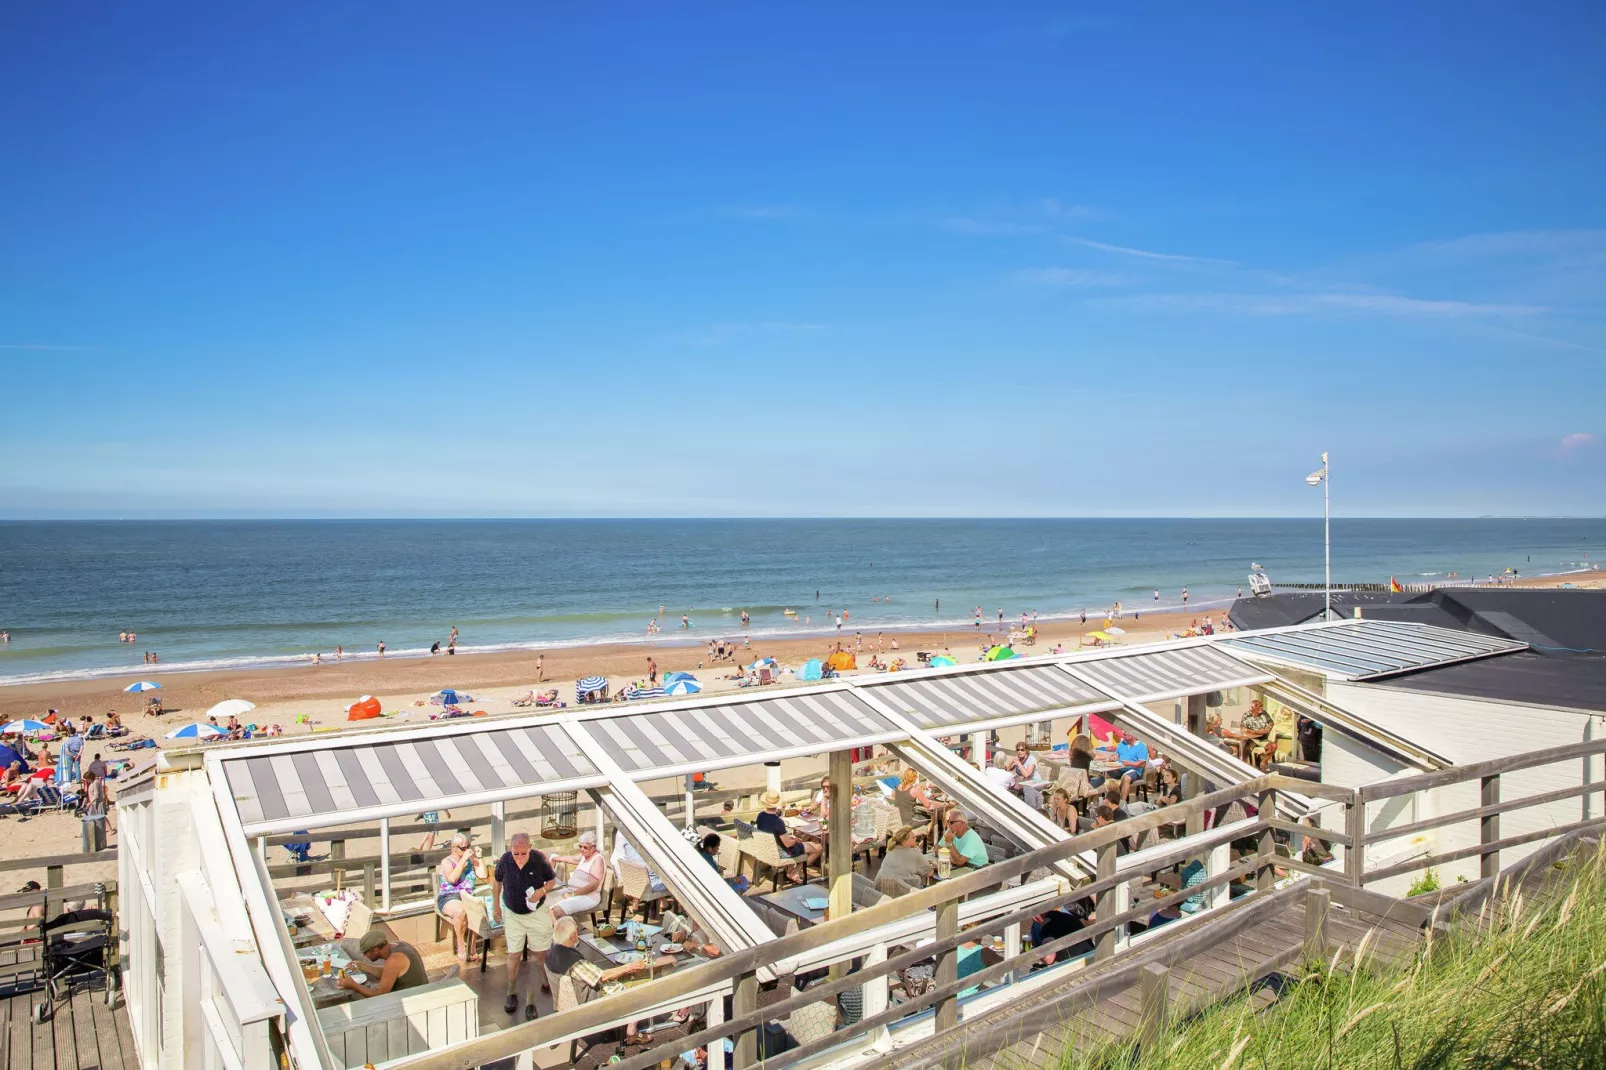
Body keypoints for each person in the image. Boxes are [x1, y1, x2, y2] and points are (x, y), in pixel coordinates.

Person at [546, 916, 675, 1045]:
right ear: (573, 935)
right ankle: (632, 1032)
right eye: (577, 931)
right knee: (643, 986)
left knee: (618, 970)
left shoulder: (551, 952)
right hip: (590, 1001)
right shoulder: (573, 960)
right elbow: (602, 977)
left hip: (574, 999)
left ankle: (627, 1021)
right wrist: (630, 967)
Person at [492, 832, 557, 1019]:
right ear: (510, 849)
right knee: (514, 954)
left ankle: (532, 999)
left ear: (530, 847)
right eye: (516, 853)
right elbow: (496, 882)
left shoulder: (539, 860)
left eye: (523, 853)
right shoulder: (505, 861)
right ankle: (511, 992)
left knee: (539, 956)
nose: (519, 857)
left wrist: (541, 891)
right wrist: (496, 906)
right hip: (513, 913)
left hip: (536, 913)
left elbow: (552, 880)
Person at [436, 833, 488, 962]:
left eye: (468, 847)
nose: (466, 850)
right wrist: (463, 860)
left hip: (468, 896)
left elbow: (483, 874)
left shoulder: (471, 860)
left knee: (476, 908)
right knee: (461, 911)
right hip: (449, 896)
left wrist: (479, 857)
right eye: (463, 848)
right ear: (454, 847)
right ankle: (460, 945)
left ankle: (472, 947)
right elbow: (453, 879)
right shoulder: (446, 861)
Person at [338, 930, 429, 997]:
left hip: (414, 1000)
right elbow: (387, 973)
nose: (364, 956)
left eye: (365, 953)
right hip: (420, 992)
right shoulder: (399, 945)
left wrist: (353, 985)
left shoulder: (394, 960)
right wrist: (361, 965)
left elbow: (380, 995)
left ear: (376, 950)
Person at [756, 791, 820, 876]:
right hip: (782, 852)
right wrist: (795, 840)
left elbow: (775, 835)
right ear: (776, 805)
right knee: (818, 847)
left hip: (770, 849)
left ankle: (791, 870)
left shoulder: (760, 816)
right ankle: (795, 873)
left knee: (797, 839)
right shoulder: (778, 822)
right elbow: (788, 844)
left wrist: (792, 838)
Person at [548, 831, 606, 922]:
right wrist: (555, 858)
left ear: (593, 847)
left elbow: (594, 885)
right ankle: (564, 927)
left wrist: (573, 894)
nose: (582, 849)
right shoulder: (585, 855)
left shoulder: (597, 860)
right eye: (580, 846)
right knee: (544, 900)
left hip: (588, 897)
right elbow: (572, 859)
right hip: (573, 891)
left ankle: (568, 931)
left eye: (585, 847)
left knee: (557, 910)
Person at [877, 825, 935, 891]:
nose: (915, 838)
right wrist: (932, 865)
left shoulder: (890, 849)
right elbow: (930, 873)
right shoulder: (915, 853)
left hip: (880, 887)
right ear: (904, 841)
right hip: (904, 891)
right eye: (913, 837)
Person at [1225, 700, 1276, 768]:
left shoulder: (1264, 714)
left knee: (1273, 746)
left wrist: (1268, 728)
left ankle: (1263, 762)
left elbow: (1271, 722)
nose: (1261, 708)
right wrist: (1256, 732)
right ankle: (1243, 767)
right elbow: (1243, 729)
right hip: (1252, 739)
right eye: (1259, 706)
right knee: (1244, 748)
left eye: (1262, 706)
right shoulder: (1247, 715)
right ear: (1253, 708)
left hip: (1263, 739)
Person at [1113, 732, 1150, 803]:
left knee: (1126, 778)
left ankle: (1122, 803)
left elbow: (1142, 763)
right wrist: (1114, 757)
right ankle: (1111, 800)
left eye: (1125, 735)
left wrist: (1130, 763)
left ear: (1132, 735)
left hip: (1134, 770)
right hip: (1120, 768)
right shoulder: (1121, 744)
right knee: (1107, 773)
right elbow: (1116, 754)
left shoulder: (1141, 747)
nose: (1123, 736)